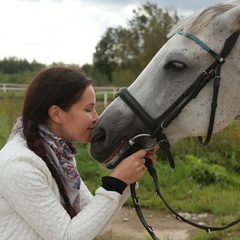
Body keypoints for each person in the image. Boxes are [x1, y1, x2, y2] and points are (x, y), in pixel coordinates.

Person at [0, 66, 157, 240]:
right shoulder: (19, 165)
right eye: (88, 109)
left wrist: (125, 181)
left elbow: (94, 226)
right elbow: (67, 236)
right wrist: (116, 181)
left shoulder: (58, 156)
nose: (96, 117)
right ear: (56, 114)